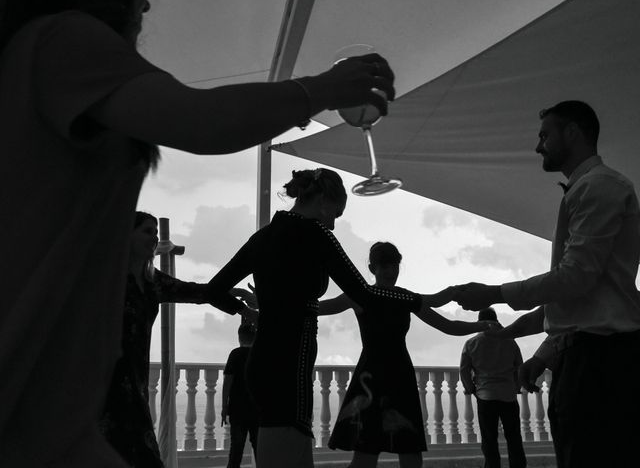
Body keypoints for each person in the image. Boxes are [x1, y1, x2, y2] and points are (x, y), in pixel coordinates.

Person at [0, 0, 395, 465]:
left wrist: (240, 301)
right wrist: (323, 89)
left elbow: (214, 286)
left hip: (50, 406)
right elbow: (202, 120)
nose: (145, 6)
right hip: (31, 391)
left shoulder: (34, 58)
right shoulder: (64, 38)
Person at [206, 169, 458, 468]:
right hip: (291, 364)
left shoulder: (261, 238)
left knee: (281, 452)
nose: (334, 224)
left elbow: (214, 290)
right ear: (324, 200)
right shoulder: (316, 235)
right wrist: (426, 299)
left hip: (261, 362)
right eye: (336, 214)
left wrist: (248, 313)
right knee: (288, 450)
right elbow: (363, 293)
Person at [451, 101, 640, 468]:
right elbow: (579, 303)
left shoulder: (598, 187)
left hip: (598, 367)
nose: (538, 146)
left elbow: (575, 278)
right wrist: (539, 354)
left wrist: (493, 293)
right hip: (591, 362)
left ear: (572, 133)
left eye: (544, 135)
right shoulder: (589, 188)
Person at [320, 242, 496, 468]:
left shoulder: (396, 297)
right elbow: (317, 307)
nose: (391, 272)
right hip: (380, 376)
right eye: (385, 266)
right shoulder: (364, 295)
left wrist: (480, 325)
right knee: (366, 452)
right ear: (373, 268)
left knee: (408, 451)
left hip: (394, 375)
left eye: (394, 266)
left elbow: (447, 324)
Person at [99, 212, 255, 468]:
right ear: (128, 235)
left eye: (156, 232)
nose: (154, 237)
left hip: (135, 380)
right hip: (106, 377)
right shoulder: (109, 279)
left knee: (142, 454)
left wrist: (234, 300)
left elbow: (196, 291)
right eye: (147, 231)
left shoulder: (152, 282)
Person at [459, 308, 526, 468]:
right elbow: (519, 366)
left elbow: (464, 370)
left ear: (479, 322)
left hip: (485, 395)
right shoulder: (510, 341)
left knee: (489, 439)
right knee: (514, 437)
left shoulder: (472, 343)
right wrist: (516, 387)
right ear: (496, 319)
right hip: (508, 394)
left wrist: (471, 389)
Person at [222, 323, 259, 468]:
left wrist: (224, 407)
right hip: (257, 409)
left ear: (239, 337)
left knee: (236, 451)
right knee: (260, 450)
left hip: (238, 409)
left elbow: (227, 382)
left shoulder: (235, 354)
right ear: (254, 337)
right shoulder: (259, 354)